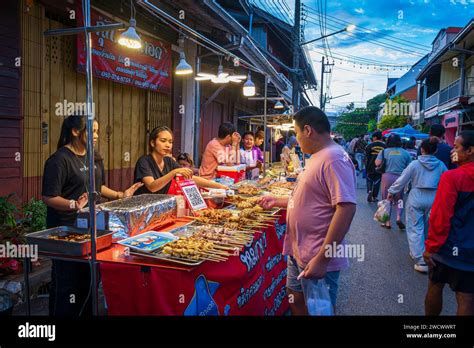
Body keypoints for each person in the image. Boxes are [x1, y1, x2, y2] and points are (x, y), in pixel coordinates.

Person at [259, 106, 357, 315]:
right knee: (295, 298)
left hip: (316, 255)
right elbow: (308, 200)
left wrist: (323, 259)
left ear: (308, 130)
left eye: (296, 132)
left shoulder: (334, 159)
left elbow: (346, 208)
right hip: (298, 251)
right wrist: (276, 200)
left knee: (319, 309)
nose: (296, 138)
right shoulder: (318, 156)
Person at [42, 115, 141, 316]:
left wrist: (121, 195)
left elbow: (99, 186)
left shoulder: (94, 158)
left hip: (91, 228)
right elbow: (49, 196)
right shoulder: (59, 160)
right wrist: (73, 204)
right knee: (67, 283)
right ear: (75, 131)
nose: (96, 135)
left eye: (97, 131)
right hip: (66, 232)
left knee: (89, 281)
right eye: (92, 130)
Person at [424, 131, 474, 316]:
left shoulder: (452, 177)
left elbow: (440, 216)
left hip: (447, 247)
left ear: (470, 151)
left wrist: (431, 247)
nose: (453, 150)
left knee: (435, 286)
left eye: (457, 147)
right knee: (467, 298)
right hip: (470, 253)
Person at [387, 138, 447, 273]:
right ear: (436, 150)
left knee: (415, 227)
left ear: (422, 149)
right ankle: (425, 253)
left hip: (416, 196)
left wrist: (392, 191)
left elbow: (402, 179)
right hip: (434, 197)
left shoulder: (415, 164)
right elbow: (446, 180)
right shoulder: (441, 165)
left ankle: (420, 260)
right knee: (427, 226)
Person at [134, 126, 227, 195]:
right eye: (163, 141)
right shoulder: (144, 161)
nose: (168, 145)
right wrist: (174, 172)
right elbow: (152, 187)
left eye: (170, 142)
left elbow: (191, 177)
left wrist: (218, 186)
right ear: (152, 143)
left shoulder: (168, 161)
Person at [375, 134, 412, 230]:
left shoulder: (384, 152)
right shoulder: (405, 153)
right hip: (401, 178)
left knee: (386, 199)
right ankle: (399, 217)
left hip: (387, 177)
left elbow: (377, 163)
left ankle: (387, 222)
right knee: (399, 200)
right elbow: (410, 167)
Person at [365, 131, 386, 202]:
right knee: (377, 181)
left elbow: (366, 158)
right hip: (380, 167)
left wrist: (366, 166)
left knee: (369, 179)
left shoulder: (369, 146)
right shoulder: (385, 146)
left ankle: (369, 190)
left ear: (375, 137)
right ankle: (374, 196)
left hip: (370, 166)